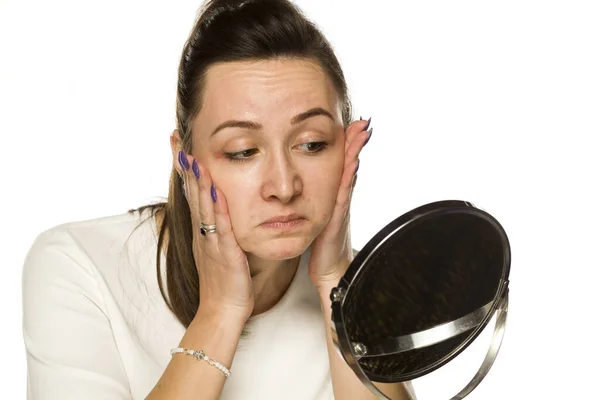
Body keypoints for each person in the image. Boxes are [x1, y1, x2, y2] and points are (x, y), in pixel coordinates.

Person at [22, 0, 414, 399]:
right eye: (243, 151)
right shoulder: (79, 266)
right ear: (184, 158)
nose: (283, 185)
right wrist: (220, 311)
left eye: (312, 144)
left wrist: (339, 284)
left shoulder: (367, 292)